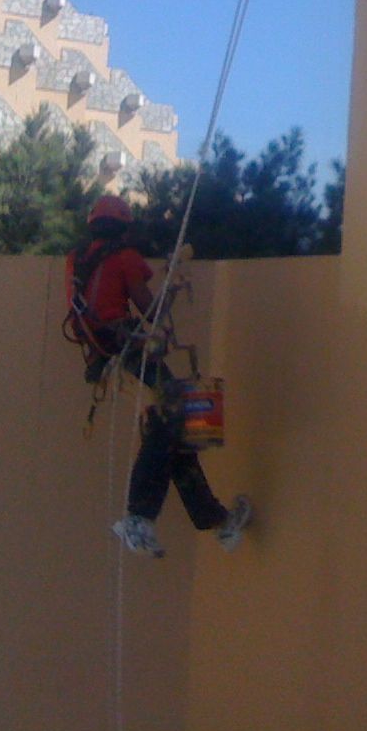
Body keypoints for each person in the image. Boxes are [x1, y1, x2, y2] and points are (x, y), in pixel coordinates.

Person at [67, 195, 252, 557]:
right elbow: (151, 312)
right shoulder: (125, 258)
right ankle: (139, 516)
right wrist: (173, 284)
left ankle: (216, 519)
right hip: (128, 349)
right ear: (125, 226)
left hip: (102, 354)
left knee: (173, 431)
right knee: (173, 419)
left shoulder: (77, 260)